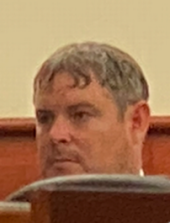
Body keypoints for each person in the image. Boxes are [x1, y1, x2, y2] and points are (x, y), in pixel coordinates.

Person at [33, 42, 150, 179]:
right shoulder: (19, 199)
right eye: (44, 118)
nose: (56, 134)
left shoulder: (161, 201)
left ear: (136, 121)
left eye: (80, 115)